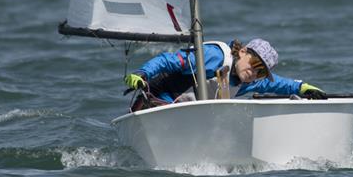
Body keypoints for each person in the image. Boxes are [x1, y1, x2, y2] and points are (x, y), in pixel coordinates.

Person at [123, 38, 326, 109]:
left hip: (185, 118)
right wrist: (142, 74)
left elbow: (280, 84)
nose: (254, 73)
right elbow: (170, 61)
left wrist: (303, 87)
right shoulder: (214, 56)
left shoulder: (248, 81)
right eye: (254, 64)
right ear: (243, 51)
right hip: (157, 100)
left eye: (262, 72)